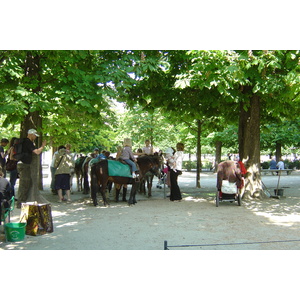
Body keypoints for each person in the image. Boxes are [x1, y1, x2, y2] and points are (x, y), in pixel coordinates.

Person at [17, 128, 47, 208]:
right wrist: (42, 146)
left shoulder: (25, 142)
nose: (35, 137)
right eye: (34, 135)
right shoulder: (28, 142)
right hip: (25, 165)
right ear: (31, 134)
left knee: (26, 183)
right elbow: (37, 152)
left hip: (23, 164)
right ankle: (21, 202)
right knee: (25, 183)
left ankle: (22, 201)